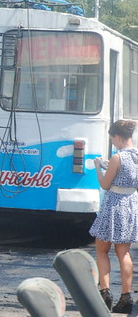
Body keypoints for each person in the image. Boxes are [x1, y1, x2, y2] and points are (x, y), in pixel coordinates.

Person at [89, 119, 138, 313]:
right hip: (131, 204)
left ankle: (105, 293)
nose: (113, 143)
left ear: (117, 137)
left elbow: (105, 184)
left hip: (114, 205)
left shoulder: (118, 157)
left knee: (102, 249)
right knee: (124, 252)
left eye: (112, 139)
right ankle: (126, 297)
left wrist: (98, 167)